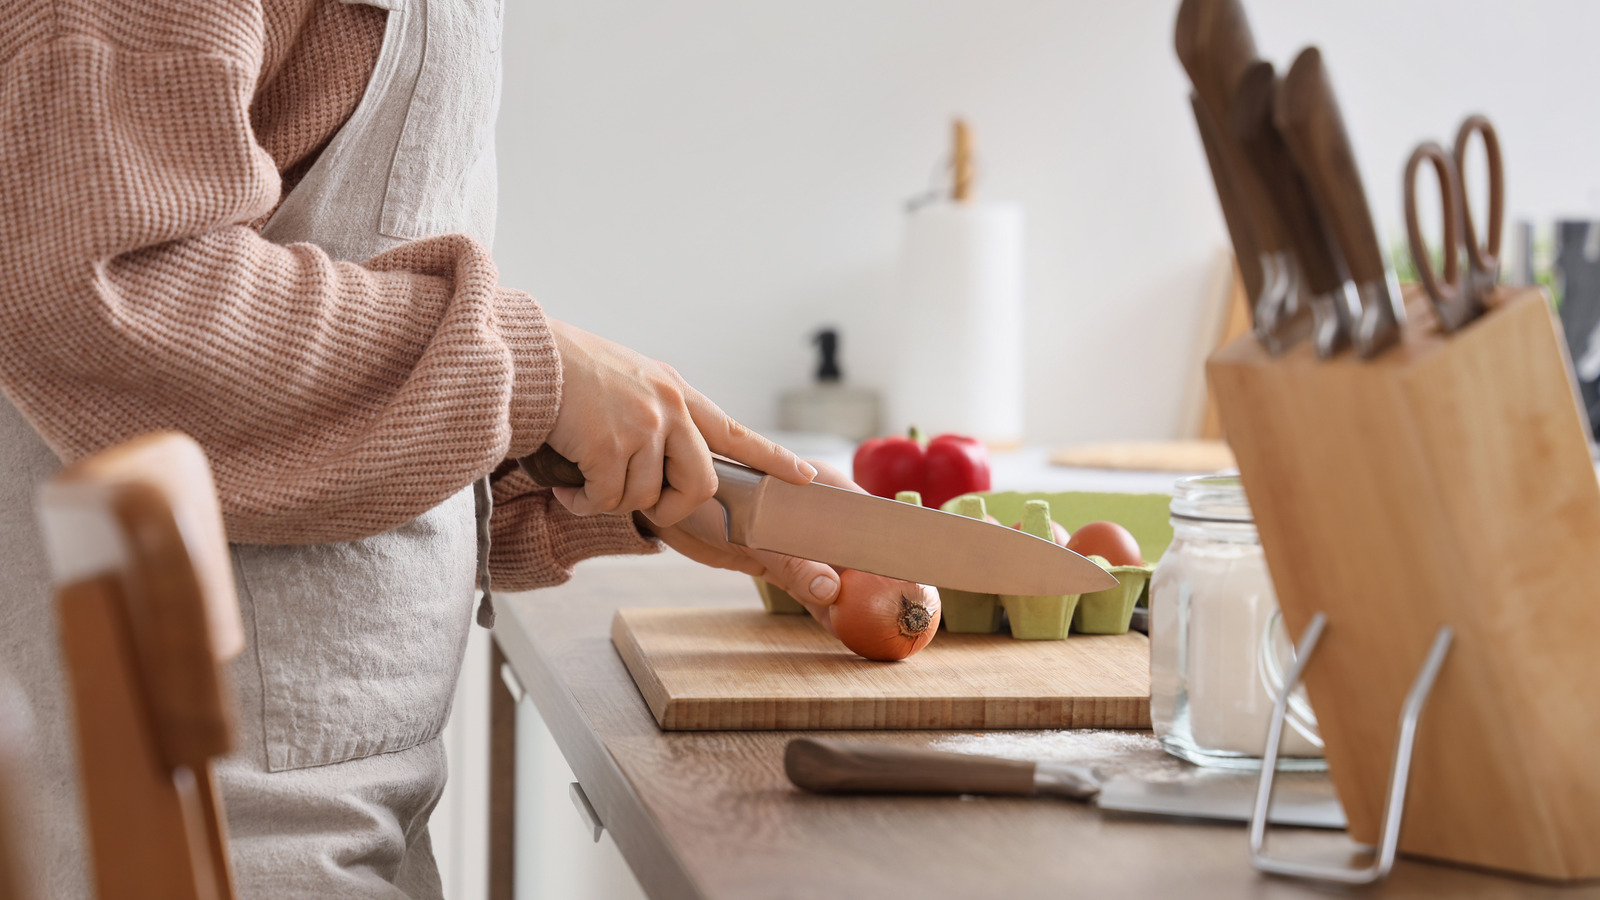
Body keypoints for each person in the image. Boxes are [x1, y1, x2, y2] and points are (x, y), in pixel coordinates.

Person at [0, 1, 844, 897]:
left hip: (342, 792)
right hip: (220, 814)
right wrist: (528, 374)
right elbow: (103, 282)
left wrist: (581, 476)